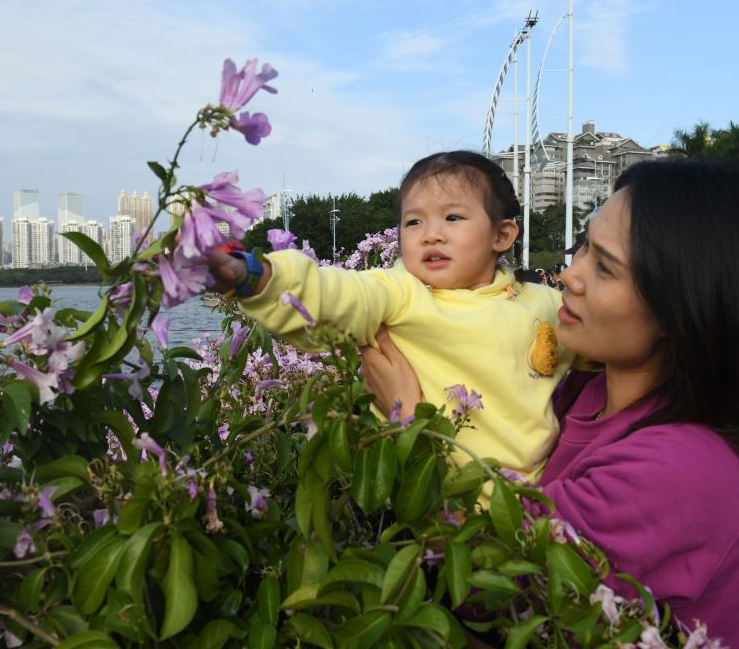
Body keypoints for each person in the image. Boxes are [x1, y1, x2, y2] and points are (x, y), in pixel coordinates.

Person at [359, 160, 739, 647]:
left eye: (604, 267)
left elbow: (484, 587)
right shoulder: (584, 390)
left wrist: (411, 425)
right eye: (583, 246)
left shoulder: (678, 469)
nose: (569, 275)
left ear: (682, 306)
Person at [208, 151, 576, 480]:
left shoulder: (542, 302)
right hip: (445, 495)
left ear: (502, 235)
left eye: (452, 217)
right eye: (413, 222)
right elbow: (335, 294)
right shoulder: (402, 292)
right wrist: (255, 277)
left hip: (538, 498)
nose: (431, 235)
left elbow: (600, 340)